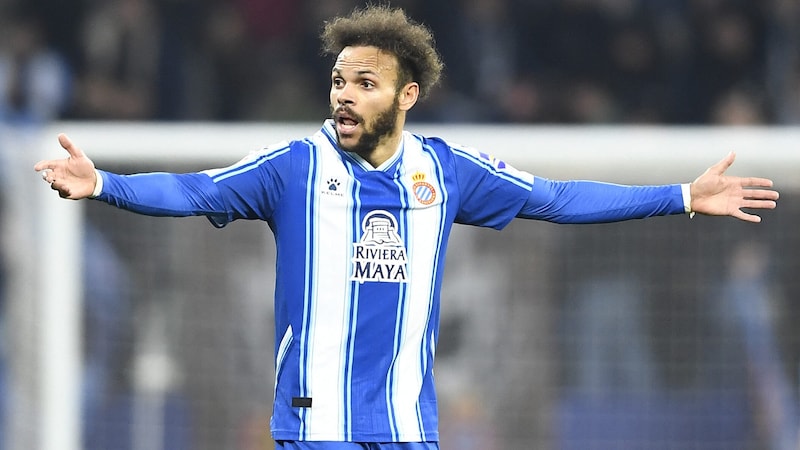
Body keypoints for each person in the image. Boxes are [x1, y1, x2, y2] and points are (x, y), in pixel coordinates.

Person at [33, 6, 779, 450]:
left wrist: (679, 195)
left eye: (365, 83)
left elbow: (560, 198)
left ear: (407, 94)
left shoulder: (445, 171)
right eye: (338, 81)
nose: (345, 97)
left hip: (406, 431)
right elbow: (192, 190)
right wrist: (105, 184)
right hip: (312, 426)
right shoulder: (294, 167)